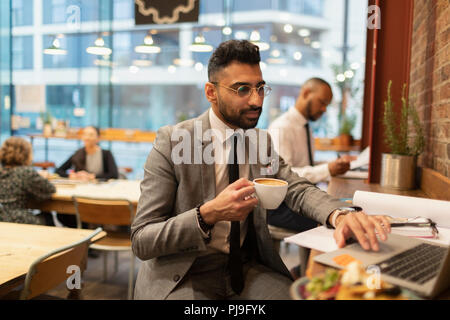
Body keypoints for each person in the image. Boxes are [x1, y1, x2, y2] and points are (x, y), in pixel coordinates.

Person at [131, 40, 391, 300]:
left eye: (260, 88)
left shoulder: (259, 141)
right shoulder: (173, 141)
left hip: (244, 269)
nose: (256, 100)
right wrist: (206, 215)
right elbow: (142, 239)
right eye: (242, 89)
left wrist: (339, 215)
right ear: (211, 92)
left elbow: (296, 188)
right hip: (186, 275)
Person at [266, 78, 354, 233]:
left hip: (303, 198)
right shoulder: (282, 128)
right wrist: (327, 169)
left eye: (327, 105)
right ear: (306, 93)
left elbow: (306, 163)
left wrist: (333, 164)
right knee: (331, 222)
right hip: (283, 205)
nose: (324, 109)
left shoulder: (306, 127)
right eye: (322, 102)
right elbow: (284, 178)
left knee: (347, 208)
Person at [0, 137, 56, 225]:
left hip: (2, 220)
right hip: (17, 219)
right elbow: (50, 190)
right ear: (26, 154)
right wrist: (43, 177)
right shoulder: (26, 172)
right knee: (47, 216)